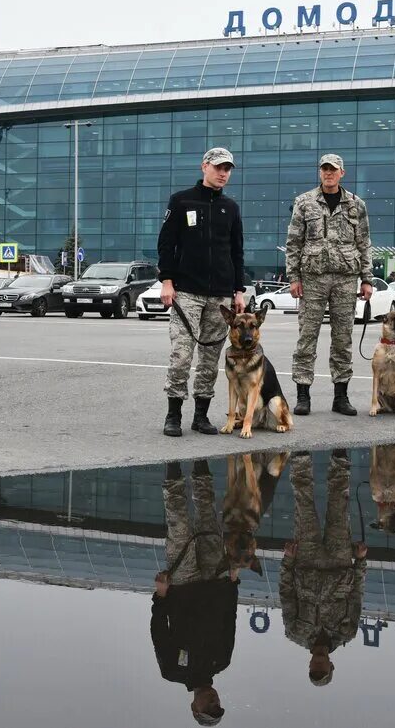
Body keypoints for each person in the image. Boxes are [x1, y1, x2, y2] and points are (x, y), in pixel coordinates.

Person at [158, 147, 246, 437]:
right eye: (219, 167)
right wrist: (167, 281)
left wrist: (238, 291)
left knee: (210, 360)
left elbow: (237, 252)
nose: (223, 173)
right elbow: (166, 244)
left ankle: (201, 416)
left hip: (220, 296)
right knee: (182, 355)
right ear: (204, 166)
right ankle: (173, 415)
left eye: (228, 169)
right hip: (187, 292)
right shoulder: (181, 200)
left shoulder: (231, 208)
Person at [285, 153, 373, 418]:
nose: (329, 173)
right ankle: (303, 395)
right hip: (312, 278)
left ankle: (341, 396)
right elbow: (293, 242)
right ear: (319, 172)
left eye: (333, 170)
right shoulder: (304, 202)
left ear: (342, 173)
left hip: (346, 278)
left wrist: (367, 278)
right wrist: (293, 277)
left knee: (343, 338)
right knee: (307, 337)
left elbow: (365, 243)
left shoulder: (356, 205)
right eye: (324, 169)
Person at [152, 460, 237, 726]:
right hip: (215, 578)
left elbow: (158, 630)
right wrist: (233, 581)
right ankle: (201, 462)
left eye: (208, 707)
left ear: (194, 706)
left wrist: (161, 596)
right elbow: (229, 619)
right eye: (218, 705)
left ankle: (173, 466)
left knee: (178, 523)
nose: (214, 702)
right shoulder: (222, 661)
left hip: (182, 585)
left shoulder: (173, 671)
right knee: (207, 517)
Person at [280, 450, 367, 688]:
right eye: (323, 669)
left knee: (303, 504)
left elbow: (286, 594)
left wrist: (288, 560)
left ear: (309, 666)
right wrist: (360, 561)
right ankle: (340, 458)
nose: (318, 665)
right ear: (331, 666)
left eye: (314, 669)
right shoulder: (347, 632)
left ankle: (300, 457)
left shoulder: (295, 632)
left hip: (306, 561)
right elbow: (356, 594)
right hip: (340, 562)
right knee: (339, 504)